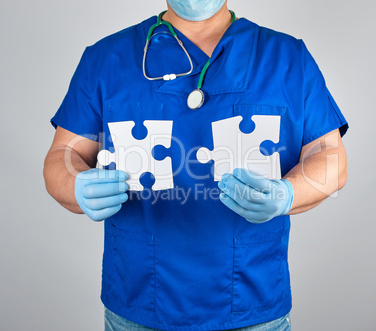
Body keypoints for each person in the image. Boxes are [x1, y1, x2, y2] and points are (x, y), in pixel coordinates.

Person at [43, 0, 348, 330]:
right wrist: (76, 184)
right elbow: (63, 155)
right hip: (139, 305)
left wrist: (288, 193)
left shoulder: (288, 58)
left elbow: (331, 157)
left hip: (252, 305)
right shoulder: (105, 60)